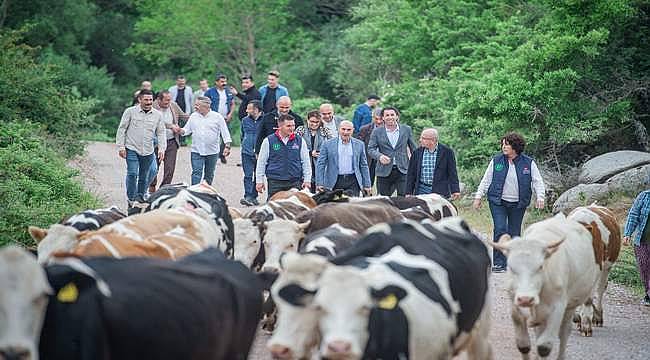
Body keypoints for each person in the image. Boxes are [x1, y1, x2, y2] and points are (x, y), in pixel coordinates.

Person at [473, 132, 545, 273]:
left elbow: (538, 181)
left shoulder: (528, 163)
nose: (503, 147)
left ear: (515, 146)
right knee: (500, 229)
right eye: (503, 144)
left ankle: (513, 263)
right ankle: (499, 263)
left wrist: (540, 197)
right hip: (497, 201)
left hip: (518, 203)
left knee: (514, 232)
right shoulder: (497, 161)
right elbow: (486, 180)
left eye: (507, 144)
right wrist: (478, 197)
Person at [116, 89, 165, 208]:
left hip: (148, 150)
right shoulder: (130, 112)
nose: (149, 102)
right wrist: (121, 146)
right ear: (139, 100)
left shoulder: (158, 115)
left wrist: (161, 148)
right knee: (132, 173)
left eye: (151, 100)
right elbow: (122, 129)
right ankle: (131, 198)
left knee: (144, 175)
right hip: (131, 148)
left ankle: (140, 196)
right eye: (146, 100)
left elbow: (161, 132)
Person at [172, 96, 232, 185]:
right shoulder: (193, 116)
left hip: (212, 151)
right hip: (196, 150)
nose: (195, 107)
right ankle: (194, 193)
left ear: (206, 107)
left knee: (209, 174)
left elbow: (225, 133)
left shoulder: (217, 117)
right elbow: (186, 130)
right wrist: (180, 130)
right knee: (196, 173)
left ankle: (205, 194)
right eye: (195, 104)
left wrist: (227, 146)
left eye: (197, 105)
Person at [255, 114, 311, 199]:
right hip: (275, 182)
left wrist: (307, 180)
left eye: (293, 125)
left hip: (295, 181)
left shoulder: (300, 141)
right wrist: (259, 181)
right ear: (280, 126)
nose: (292, 128)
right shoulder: (268, 141)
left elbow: (306, 162)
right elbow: (261, 162)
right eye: (288, 126)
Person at [367, 106, 416, 196]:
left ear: (397, 116)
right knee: (383, 199)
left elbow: (414, 149)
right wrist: (380, 156)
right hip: (383, 170)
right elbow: (370, 149)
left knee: (404, 198)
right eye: (387, 115)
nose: (390, 117)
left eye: (392, 115)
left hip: (403, 169)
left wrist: (415, 166)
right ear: (383, 118)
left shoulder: (406, 130)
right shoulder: (377, 132)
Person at [316, 121, 371, 197]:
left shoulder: (359, 144)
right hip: (334, 181)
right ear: (339, 129)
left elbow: (363, 165)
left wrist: (367, 184)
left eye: (349, 130)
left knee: (352, 206)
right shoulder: (327, 144)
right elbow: (320, 164)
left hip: (353, 181)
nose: (346, 132)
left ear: (353, 130)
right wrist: (319, 183)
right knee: (335, 206)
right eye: (343, 129)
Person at [148, 90, 188, 193]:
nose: (168, 103)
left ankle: (163, 190)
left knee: (170, 168)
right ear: (159, 100)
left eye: (169, 100)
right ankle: (152, 186)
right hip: (155, 142)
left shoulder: (173, 105)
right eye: (166, 101)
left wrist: (197, 116)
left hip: (171, 141)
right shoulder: (151, 106)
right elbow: (155, 121)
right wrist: (171, 126)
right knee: (153, 167)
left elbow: (184, 116)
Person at [406, 128, 461, 199]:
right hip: (421, 189)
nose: (420, 140)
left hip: (440, 190)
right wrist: (408, 192)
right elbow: (411, 174)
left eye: (423, 138)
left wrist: (455, 190)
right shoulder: (417, 153)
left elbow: (452, 173)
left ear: (433, 140)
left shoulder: (447, 152)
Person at [296, 110, 335, 192]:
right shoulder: (301, 130)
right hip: (304, 164)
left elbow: (332, 146)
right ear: (307, 120)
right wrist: (310, 153)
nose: (314, 124)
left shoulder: (325, 131)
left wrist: (323, 153)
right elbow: (294, 146)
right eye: (312, 121)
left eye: (317, 122)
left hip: (321, 165)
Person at [623, 189, 650, 306]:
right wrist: (627, 234)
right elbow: (633, 215)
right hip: (642, 241)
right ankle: (648, 293)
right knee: (644, 269)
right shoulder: (644, 196)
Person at [204, 74, 235, 164]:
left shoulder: (228, 91)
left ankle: (221, 154)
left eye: (225, 81)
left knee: (226, 137)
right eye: (222, 82)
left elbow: (232, 103)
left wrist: (230, 114)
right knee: (212, 137)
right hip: (213, 118)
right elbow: (204, 103)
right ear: (216, 82)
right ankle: (211, 155)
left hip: (225, 118)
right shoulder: (210, 92)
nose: (224, 83)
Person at [240, 100, 263, 206]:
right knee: (248, 175)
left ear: (256, 109)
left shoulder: (265, 120)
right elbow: (242, 135)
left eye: (249, 108)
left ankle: (254, 196)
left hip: (261, 153)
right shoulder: (244, 120)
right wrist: (245, 144)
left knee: (258, 175)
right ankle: (248, 196)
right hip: (246, 152)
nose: (246, 110)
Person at [356, 107, 383, 186]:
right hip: (369, 159)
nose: (378, 121)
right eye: (376, 119)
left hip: (382, 159)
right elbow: (359, 146)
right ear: (372, 117)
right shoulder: (364, 129)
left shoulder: (388, 129)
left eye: (381, 119)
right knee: (368, 183)